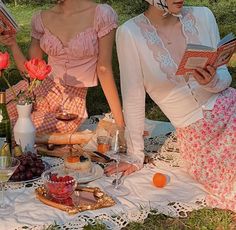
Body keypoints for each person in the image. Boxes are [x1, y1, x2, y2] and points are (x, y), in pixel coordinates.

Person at [106, 0, 236, 212]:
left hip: (230, 107)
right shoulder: (130, 33)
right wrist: (135, 155)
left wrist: (211, 81)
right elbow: (133, 98)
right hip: (198, 136)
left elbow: (224, 77)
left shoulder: (203, 15)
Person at [0, 0, 124, 133]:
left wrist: (121, 126)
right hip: (37, 90)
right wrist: (13, 44)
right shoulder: (41, 18)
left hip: (70, 105)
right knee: (3, 120)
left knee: (11, 130)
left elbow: (103, 69)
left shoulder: (101, 14)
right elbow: (30, 74)